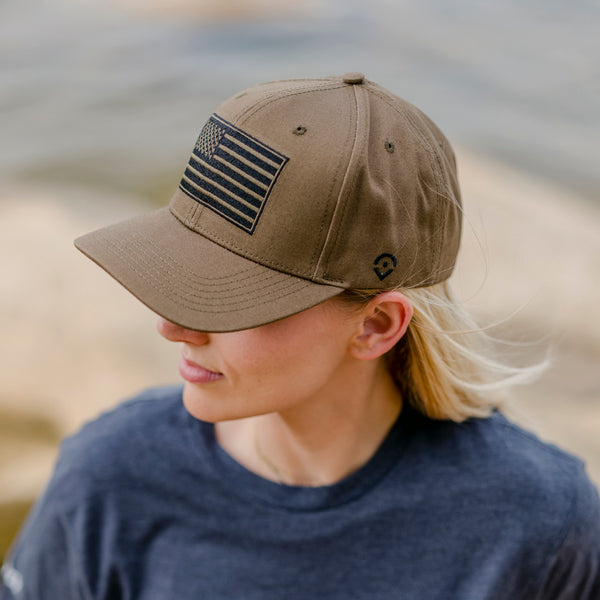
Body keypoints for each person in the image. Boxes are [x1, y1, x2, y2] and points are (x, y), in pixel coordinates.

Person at [2, 72, 599, 600]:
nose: (173, 327)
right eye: (183, 275)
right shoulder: (111, 475)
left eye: (230, 300)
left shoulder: (539, 520)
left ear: (376, 326)